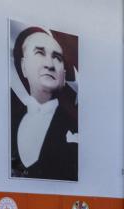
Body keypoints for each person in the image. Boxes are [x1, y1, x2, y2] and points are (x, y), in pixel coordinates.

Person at [10, 26, 78, 181]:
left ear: (64, 75)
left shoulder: (76, 125)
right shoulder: (10, 121)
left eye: (57, 58)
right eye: (40, 53)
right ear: (23, 66)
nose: (50, 64)